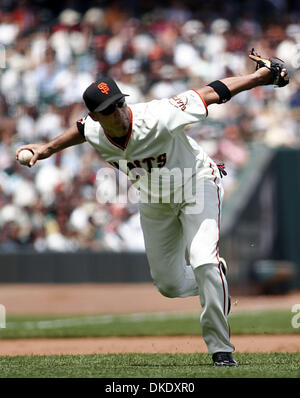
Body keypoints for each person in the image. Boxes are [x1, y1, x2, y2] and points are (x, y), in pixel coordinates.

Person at [16, 51, 289, 366]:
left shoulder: (157, 114)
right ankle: (215, 274)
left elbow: (210, 93)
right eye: (107, 109)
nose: (117, 111)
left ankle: (220, 349)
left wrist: (257, 78)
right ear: (96, 117)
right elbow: (79, 130)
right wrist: (46, 148)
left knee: (203, 259)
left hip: (196, 184)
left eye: (119, 103)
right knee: (169, 285)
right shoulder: (93, 130)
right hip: (154, 199)